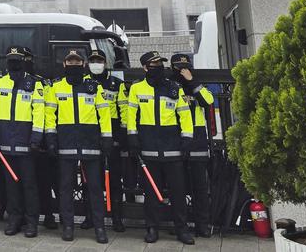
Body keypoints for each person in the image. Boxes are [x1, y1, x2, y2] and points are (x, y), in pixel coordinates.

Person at [126, 51, 195, 245]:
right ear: (145, 68)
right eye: (154, 64)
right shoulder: (136, 89)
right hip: (148, 149)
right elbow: (132, 116)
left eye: (160, 64)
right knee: (151, 193)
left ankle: (182, 229)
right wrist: (132, 137)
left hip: (173, 149)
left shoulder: (174, 88)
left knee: (178, 192)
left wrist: (187, 138)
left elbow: (184, 115)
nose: (158, 67)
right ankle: (152, 228)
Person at [46, 49, 111, 244]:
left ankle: (99, 227)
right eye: (70, 62)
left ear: (83, 65)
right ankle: (67, 226)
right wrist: (50, 137)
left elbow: (104, 113)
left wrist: (107, 137)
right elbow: (49, 116)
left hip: (90, 144)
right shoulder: (55, 88)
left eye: (77, 62)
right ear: (64, 65)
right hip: (65, 145)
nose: (73, 65)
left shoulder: (94, 87)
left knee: (94, 187)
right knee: (65, 187)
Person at [0, 46, 45, 238]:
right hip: (4, 142)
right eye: (11, 59)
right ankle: (14, 219)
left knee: (29, 184)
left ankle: (31, 222)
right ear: (6, 60)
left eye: (18, 58)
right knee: (10, 185)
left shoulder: (34, 83)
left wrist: (36, 137)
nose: (14, 62)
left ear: (24, 60)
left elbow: (39, 112)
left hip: (26, 144)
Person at [171, 52, 215, 238]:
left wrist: (192, 82)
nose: (183, 71)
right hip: (176, 137)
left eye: (186, 67)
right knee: (177, 188)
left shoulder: (198, 85)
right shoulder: (170, 86)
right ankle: (181, 225)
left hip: (197, 139)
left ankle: (202, 226)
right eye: (179, 68)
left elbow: (209, 101)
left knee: (200, 188)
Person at [86, 49, 128, 232]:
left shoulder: (117, 84)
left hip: (112, 138)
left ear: (105, 63)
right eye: (93, 60)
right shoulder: (83, 82)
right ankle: (90, 216)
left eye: (99, 60)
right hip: (89, 135)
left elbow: (124, 111)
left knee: (114, 180)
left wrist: (123, 136)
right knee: (90, 181)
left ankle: (117, 218)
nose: (96, 63)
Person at [23, 47, 58, 231]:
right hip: (24, 140)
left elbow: (49, 110)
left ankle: (49, 215)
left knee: (45, 182)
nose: (27, 62)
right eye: (24, 58)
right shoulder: (16, 81)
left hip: (42, 141)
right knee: (28, 183)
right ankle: (29, 217)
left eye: (29, 59)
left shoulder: (42, 82)